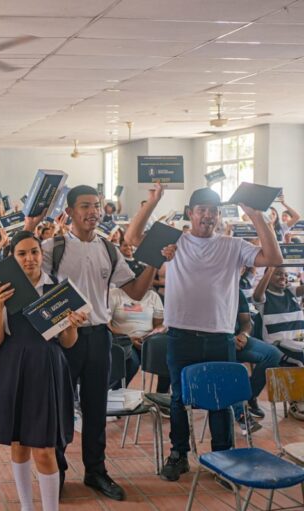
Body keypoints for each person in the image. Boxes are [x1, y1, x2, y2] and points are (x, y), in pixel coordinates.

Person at [125, 185, 282, 483]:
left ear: (219, 215)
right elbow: (133, 238)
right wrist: (153, 201)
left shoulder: (232, 246)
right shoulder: (175, 241)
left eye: (213, 210)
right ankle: (179, 455)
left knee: (220, 400)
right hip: (181, 335)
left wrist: (257, 216)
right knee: (179, 398)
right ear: (191, 213)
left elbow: (272, 258)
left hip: (220, 335)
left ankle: (223, 459)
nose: (208, 216)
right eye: (202, 210)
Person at [30, 185, 168, 501]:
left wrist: (152, 264)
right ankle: (58, 471)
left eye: (97, 205)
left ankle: (96, 471)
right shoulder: (53, 247)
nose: (93, 211)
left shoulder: (108, 249)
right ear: (69, 212)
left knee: (96, 408)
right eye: (85, 206)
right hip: (64, 339)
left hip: (99, 337)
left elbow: (133, 291)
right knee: (61, 408)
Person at [0, 231, 87, 511]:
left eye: (35, 252)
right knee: (18, 443)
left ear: (42, 254)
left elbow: (67, 343)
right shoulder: (2, 290)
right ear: (13, 258)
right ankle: (27, 507)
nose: (30, 259)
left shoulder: (58, 289)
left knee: (44, 447)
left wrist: (72, 324)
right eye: (22, 254)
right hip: (12, 366)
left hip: (47, 369)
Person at [232, 289, 284, 433]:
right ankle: (241, 414)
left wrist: (244, 335)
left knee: (272, 354)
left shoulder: (236, 291)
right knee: (233, 368)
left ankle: (249, 396)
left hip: (238, 339)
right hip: (216, 342)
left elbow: (246, 322)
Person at [107, 285, 168, 391]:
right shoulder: (114, 294)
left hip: (148, 341)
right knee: (131, 362)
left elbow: (160, 325)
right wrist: (128, 338)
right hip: (123, 341)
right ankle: (118, 392)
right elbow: (107, 325)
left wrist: (152, 335)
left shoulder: (153, 296)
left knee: (168, 358)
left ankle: (161, 395)